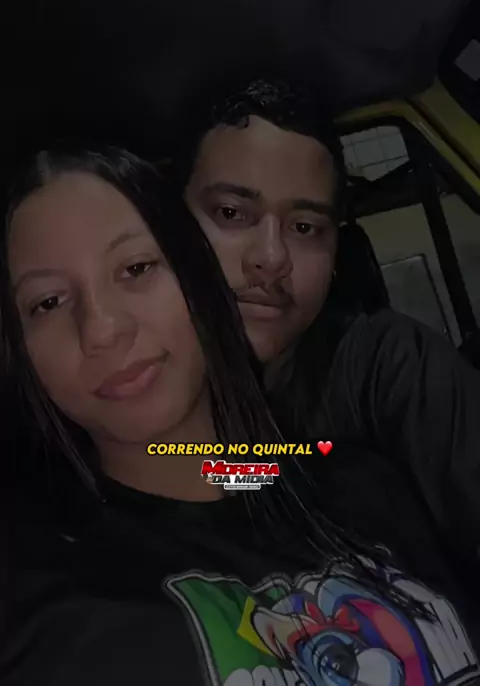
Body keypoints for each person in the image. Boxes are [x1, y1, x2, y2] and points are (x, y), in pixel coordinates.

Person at [1, 137, 479, 685]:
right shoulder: (39, 595)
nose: (102, 328)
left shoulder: (366, 483)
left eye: (136, 268)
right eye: (47, 302)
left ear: (198, 276)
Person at [167, 73, 480, 587]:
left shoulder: (388, 369)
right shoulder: (129, 399)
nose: (271, 257)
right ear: (168, 228)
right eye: (232, 212)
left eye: (304, 227)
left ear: (335, 255)